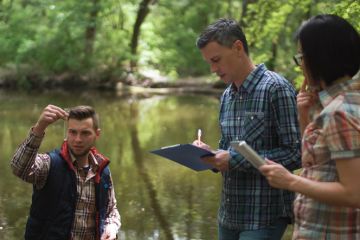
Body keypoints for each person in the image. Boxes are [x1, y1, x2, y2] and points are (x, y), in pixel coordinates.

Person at [194, 18, 301, 240]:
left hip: (264, 215)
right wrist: (210, 155)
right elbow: (227, 150)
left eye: (216, 60)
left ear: (238, 48)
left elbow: (295, 153)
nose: (213, 69)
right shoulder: (226, 96)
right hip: (229, 215)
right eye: (209, 63)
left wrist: (233, 160)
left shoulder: (276, 88)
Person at [259, 14, 360, 239]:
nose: (301, 64)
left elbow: (354, 193)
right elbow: (320, 164)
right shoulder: (344, 103)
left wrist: (290, 181)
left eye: (302, 57)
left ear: (319, 58)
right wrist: (305, 115)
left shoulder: (339, 112)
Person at [11, 105, 121, 240]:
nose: (78, 139)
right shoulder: (50, 164)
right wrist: (40, 127)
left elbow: (111, 211)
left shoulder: (103, 171)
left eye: (85, 133)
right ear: (67, 133)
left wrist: (111, 227)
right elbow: (19, 168)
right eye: (72, 132)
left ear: (96, 134)